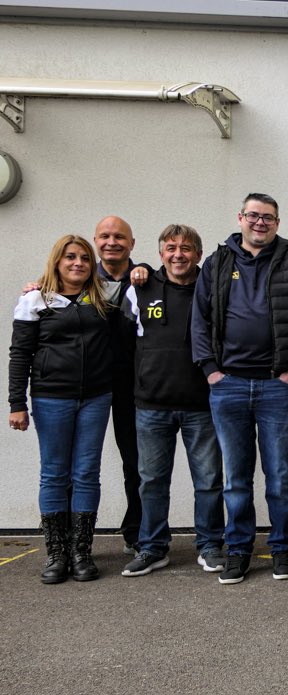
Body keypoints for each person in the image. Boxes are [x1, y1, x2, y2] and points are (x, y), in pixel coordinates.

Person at [191, 192, 288, 585]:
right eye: (253, 216)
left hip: (275, 386)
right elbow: (199, 321)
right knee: (236, 477)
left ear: (277, 223)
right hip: (227, 385)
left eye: (268, 217)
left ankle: (282, 548)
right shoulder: (216, 264)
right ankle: (239, 551)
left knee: (280, 475)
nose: (260, 223)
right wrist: (211, 370)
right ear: (241, 218)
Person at [119, 225, 225, 577]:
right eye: (170, 247)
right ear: (160, 252)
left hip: (202, 404)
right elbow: (120, 339)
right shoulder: (140, 286)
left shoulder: (210, 289)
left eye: (186, 248)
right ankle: (152, 548)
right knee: (151, 480)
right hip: (151, 405)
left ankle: (210, 545)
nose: (178, 254)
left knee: (208, 480)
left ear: (198, 252)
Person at [9, 235, 113, 583]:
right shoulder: (35, 300)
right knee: (54, 473)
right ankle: (57, 555)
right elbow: (20, 355)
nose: (78, 263)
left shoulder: (102, 299)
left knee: (86, 473)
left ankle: (82, 553)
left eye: (85, 258)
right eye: (70, 257)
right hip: (51, 398)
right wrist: (16, 404)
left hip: (96, 398)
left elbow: (130, 281)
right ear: (57, 261)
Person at [93, 215, 143, 554]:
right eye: (105, 236)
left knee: (135, 463)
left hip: (132, 386)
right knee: (80, 464)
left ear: (131, 244)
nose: (112, 242)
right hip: (88, 384)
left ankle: (136, 532)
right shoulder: (79, 279)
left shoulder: (146, 279)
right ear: (96, 241)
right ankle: (70, 538)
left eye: (120, 237)